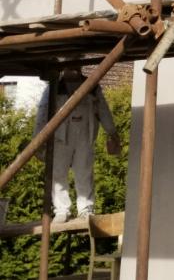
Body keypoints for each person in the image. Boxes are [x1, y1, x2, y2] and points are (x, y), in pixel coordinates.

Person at [34, 69, 120, 222]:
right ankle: (62, 210)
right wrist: (37, 139)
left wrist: (111, 132)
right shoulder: (55, 86)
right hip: (59, 136)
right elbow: (43, 110)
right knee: (58, 173)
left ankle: (86, 209)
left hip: (85, 135)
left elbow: (103, 109)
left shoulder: (92, 85)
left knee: (84, 172)